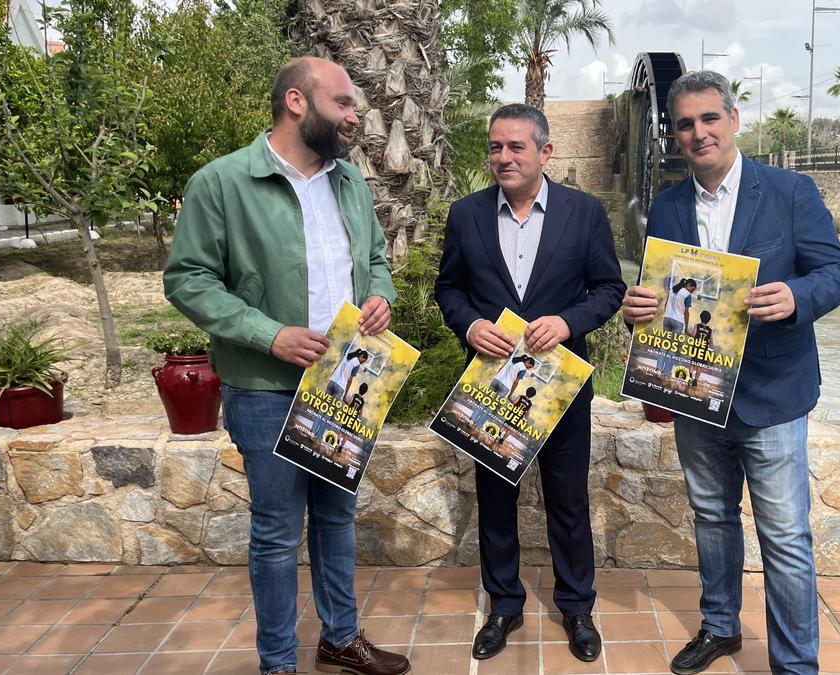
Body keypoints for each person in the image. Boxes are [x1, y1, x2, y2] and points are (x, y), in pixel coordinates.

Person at [164, 56, 410, 675]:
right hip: (266, 388)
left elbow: (376, 257)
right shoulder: (221, 183)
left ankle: (340, 638)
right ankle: (278, 663)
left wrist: (382, 293)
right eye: (344, 104)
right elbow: (188, 280)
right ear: (297, 102)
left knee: (336, 519)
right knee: (276, 534)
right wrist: (269, 335)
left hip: (347, 379)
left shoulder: (348, 180)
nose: (355, 116)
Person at [621, 70, 840, 675]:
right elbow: (663, 299)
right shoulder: (668, 206)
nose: (699, 134)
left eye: (709, 119)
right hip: (696, 392)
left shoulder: (789, 191)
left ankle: (796, 666)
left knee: (785, 540)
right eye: (685, 125)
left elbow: (836, 272)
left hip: (773, 395)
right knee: (712, 519)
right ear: (674, 136)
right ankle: (721, 626)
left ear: (734, 120)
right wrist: (637, 310)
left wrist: (798, 297)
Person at [435, 103, 625, 664]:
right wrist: (469, 325)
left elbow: (608, 290)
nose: (503, 157)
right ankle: (504, 606)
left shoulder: (585, 213)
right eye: (495, 147)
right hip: (493, 386)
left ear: (545, 152)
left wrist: (568, 322)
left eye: (516, 147)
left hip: (562, 386)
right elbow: (450, 290)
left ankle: (577, 607)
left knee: (568, 501)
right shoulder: (465, 215)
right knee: (497, 499)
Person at [656, 278, 698, 377]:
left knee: (664, 345)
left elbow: (666, 304)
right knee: (672, 348)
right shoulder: (686, 294)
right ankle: (666, 373)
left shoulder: (672, 289)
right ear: (689, 285)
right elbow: (686, 312)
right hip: (678, 321)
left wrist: (667, 315)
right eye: (692, 289)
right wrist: (686, 327)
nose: (692, 291)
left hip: (667, 318)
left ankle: (658, 369)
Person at [689, 310, 714, 388]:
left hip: (696, 347)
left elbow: (693, 335)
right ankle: (695, 381)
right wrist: (711, 348)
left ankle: (690, 378)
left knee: (693, 363)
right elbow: (711, 342)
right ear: (709, 319)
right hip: (703, 350)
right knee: (699, 366)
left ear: (701, 317)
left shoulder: (697, 326)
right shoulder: (709, 330)